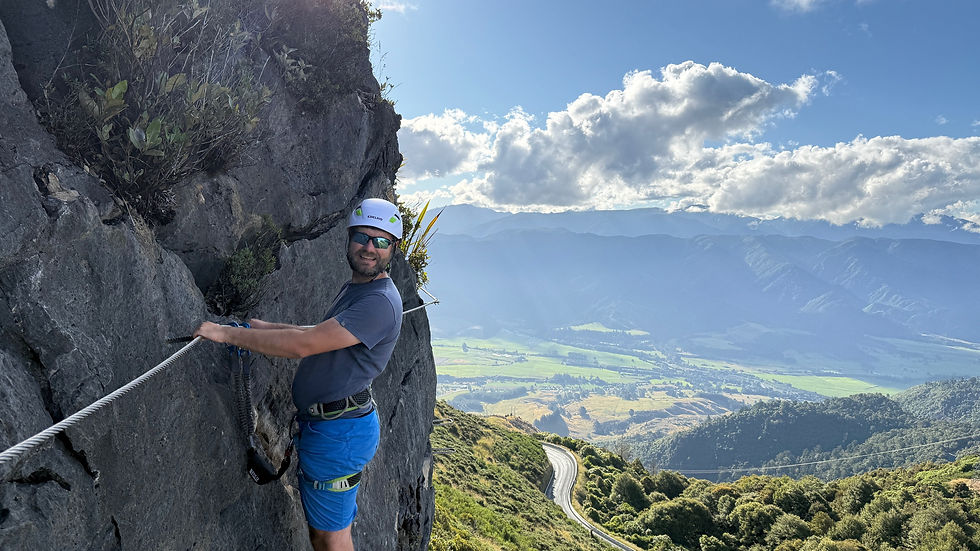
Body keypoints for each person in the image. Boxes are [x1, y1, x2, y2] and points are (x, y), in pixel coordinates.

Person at [194, 198, 404, 551]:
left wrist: (228, 334)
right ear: (349, 238)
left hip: (339, 435)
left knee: (331, 538)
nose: (370, 248)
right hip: (334, 428)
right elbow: (322, 331)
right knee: (324, 530)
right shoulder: (362, 288)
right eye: (363, 238)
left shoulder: (379, 302)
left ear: (392, 249)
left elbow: (304, 345)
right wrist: (267, 327)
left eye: (381, 241)